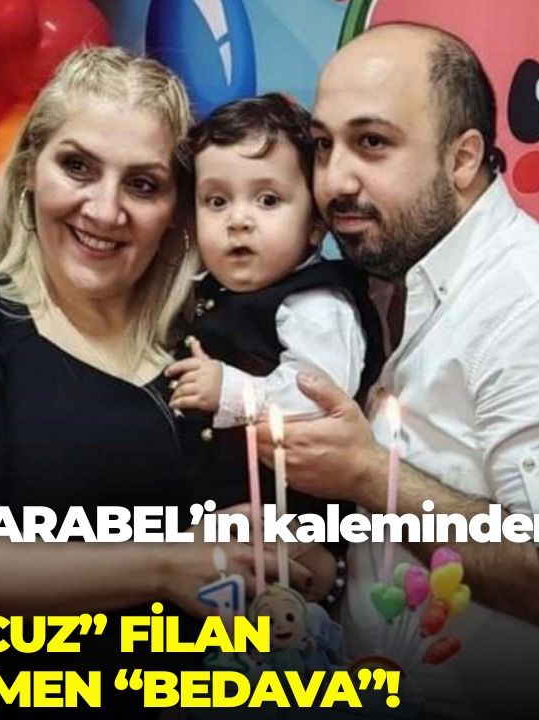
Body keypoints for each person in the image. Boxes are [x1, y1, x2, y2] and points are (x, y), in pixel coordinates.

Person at [0, 47, 315, 718]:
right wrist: (171, 561)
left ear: (175, 210)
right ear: (30, 170)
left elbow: (270, 539)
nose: (105, 211)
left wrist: (303, 560)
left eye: (143, 184)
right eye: (77, 166)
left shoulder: (201, 351)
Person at [258, 23, 539, 719]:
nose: (334, 181)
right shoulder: (374, 281)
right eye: (324, 146)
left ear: (463, 158)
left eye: (372, 143)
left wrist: (368, 476)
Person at [164, 94, 386, 605]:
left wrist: (231, 391)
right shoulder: (207, 293)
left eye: (267, 200)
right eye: (216, 202)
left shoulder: (315, 304)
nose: (238, 220)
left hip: (292, 532)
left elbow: (318, 400)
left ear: (315, 224)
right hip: (215, 531)